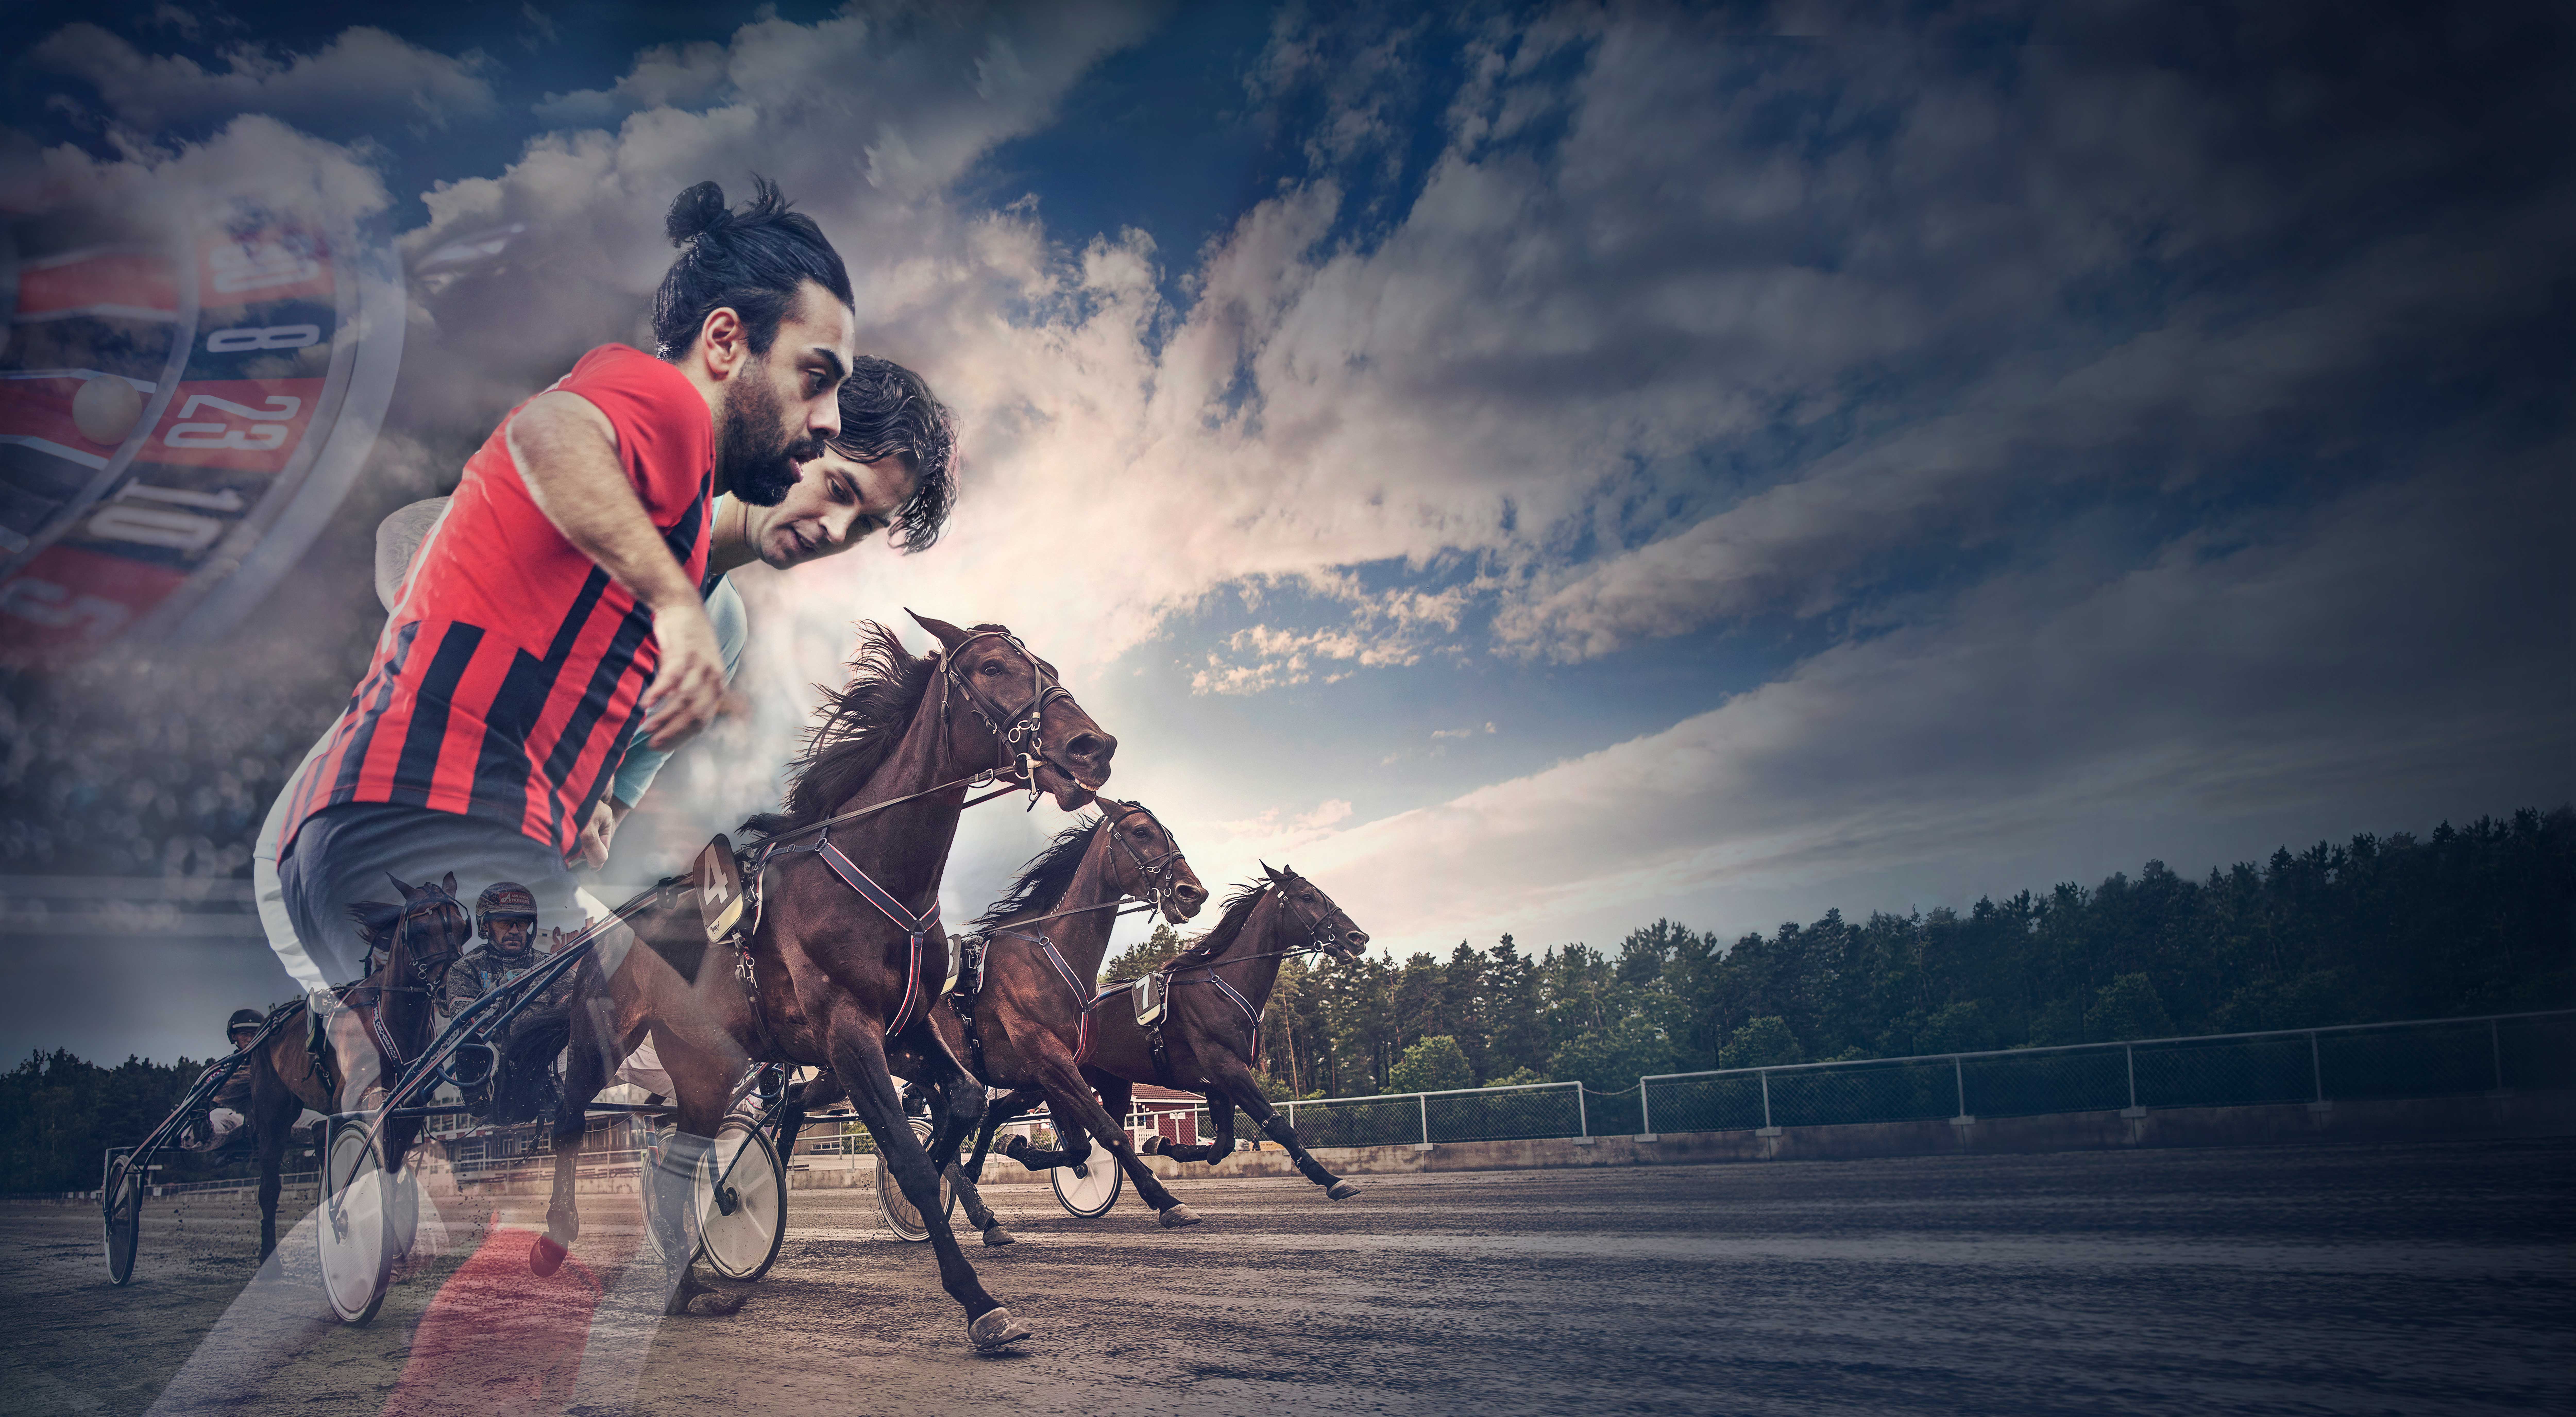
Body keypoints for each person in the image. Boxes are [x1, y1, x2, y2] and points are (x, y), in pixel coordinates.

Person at [266, 177, 861, 986]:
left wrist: (585, 807)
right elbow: (548, 432)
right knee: (655, 1054)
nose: (826, 421)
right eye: (815, 377)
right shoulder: (668, 402)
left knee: (543, 1093)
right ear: (724, 342)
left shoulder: (667, 512)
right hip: (435, 826)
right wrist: (676, 605)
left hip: (379, 836)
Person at [180, 1009, 265, 1152]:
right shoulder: (224, 1067)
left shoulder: (276, 1065)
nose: (250, 1039)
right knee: (192, 1138)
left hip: (271, 1114)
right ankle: (202, 1127)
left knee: (315, 1121)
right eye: (245, 1034)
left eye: (254, 1034)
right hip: (233, 1115)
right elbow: (206, 1091)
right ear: (234, 1037)